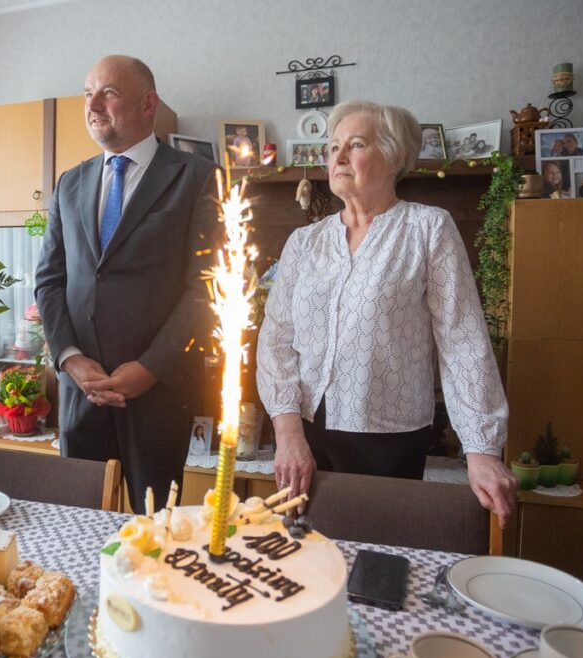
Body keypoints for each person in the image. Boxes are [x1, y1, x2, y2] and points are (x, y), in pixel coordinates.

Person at [257, 100, 517, 528]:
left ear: (395, 156)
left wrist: (482, 449)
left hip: (390, 438)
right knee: (304, 561)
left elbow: (463, 341)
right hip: (303, 434)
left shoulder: (428, 229)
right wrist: (286, 435)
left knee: (377, 567)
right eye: (333, 145)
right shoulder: (304, 243)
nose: (337, 156)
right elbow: (276, 340)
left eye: (355, 145)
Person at [35, 55, 219, 510]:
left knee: (155, 533)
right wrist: (71, 360)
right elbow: (49, 281)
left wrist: (150, 368)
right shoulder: (69, 183)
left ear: (148, 103)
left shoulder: (197, 177)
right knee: (75, 523)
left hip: (158, 393)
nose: (93, 103)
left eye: (109, 92)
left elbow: (207, 286)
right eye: (87, 93)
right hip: (82, 392)